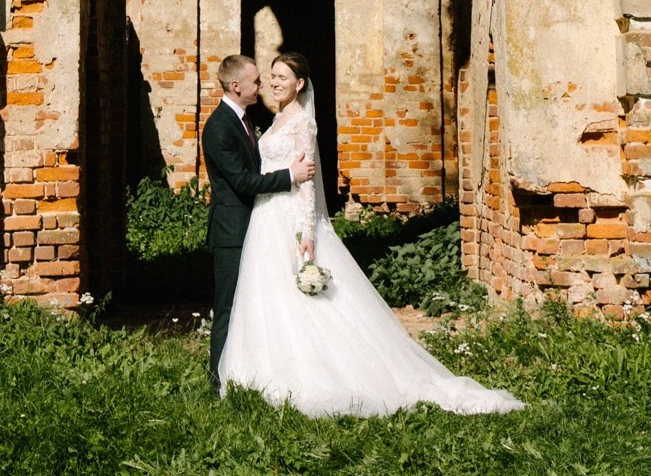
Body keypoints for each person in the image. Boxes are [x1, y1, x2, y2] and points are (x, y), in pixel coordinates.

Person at [215, 49, 522, 418]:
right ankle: (257, 371)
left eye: (282, 77)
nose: (273, 83)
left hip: (288, 217)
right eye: (271, 76)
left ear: (300, 84)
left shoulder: (301, 123)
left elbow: (308, 183)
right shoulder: (276, 118)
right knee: (266, 297)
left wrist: (307, 232)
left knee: (303, 300)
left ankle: (318, 372)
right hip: (265, 219)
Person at [201, 51, 315, 394]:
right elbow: (243, 183)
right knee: (228, 309)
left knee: (256, 305)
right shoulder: (219, 127)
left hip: (258, 226)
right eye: (257, 81)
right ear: (236, 86)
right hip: (231, 232)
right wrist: (290, 175)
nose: (263, 86)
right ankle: (218, 383)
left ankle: (252, 374)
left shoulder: (244, 118)